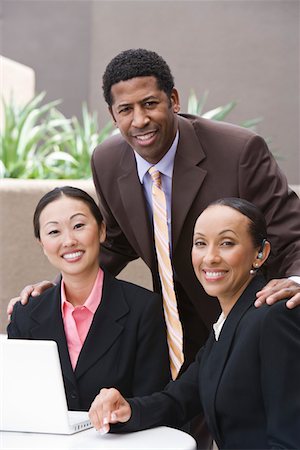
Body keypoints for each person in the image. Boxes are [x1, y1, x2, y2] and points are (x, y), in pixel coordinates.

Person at [7, 48, 300, 446]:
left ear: (174, 100)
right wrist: (63, 287)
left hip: (248, 319)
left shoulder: (239, 152)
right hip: (179, 329)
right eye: (125, 109)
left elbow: (291, 232)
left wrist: (296, 282)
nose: (140, 120)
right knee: (180, 423)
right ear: (113, 115)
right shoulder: (108, 161)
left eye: (150, 104)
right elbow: (115, 241)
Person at [88, 198, 300, 450]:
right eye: (200, 243)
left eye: (227, 243)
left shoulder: (273, 317)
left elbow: (289, 438)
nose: (210, 258)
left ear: (260, 253)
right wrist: (126, 410)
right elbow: (178, 400)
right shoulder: (227, 323)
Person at [7, 186, 171, 412]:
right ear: (42, 244)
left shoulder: (143, 309)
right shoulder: (25, 315)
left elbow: (154, 403)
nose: (69, 240)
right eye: (54, 232)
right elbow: (16, 401)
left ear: (102, 230)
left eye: (79, 226)